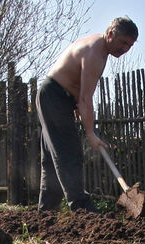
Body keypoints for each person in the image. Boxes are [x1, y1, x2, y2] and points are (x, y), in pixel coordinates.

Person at [36, 16, 138, 213]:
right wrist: (90, 133)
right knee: (69, 152)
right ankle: (82, 208)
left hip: (55, 96)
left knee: (52, 157)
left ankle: (46, 212)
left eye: (130, 45)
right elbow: (85, 98)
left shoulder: (99, 48)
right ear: (110, 34)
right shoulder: (95, 53)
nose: (125, 49)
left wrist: (73, 103)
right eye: (123, 42)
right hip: (55, 96)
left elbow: (78, 88)